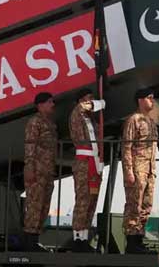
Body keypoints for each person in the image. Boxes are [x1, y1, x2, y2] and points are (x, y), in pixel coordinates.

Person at [121, 88, 158, 254]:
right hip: (137, 169)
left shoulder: (150, 121)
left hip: (149, 170)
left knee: (146, 205)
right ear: (140, 100)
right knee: (134, 205)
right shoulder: (133, 120)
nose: (153, 101)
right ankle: (131, 241)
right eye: (150, 98)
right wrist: (128, 171)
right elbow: (127, 146)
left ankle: (139, 239)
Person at [68, 88, 105, 252]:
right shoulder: (77, 114)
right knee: (83, 199)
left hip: (94, 162)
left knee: (92, 200)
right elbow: (83, 107)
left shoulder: (92, 121)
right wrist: (99, 103)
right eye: (89, 98)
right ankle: (77, 238)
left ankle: (84, 237)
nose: (91, 101)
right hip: (84, 162)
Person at [23, 92, 57, 252]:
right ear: (40, 104)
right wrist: (29, 167)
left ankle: (35, 240)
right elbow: (30, 145)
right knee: (35, 205)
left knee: (44, 206)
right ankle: (30, 242)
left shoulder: (50, 123)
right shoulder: (34, 122)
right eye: (49, 102)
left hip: (47, 171)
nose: (53, 105)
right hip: (36, 170)